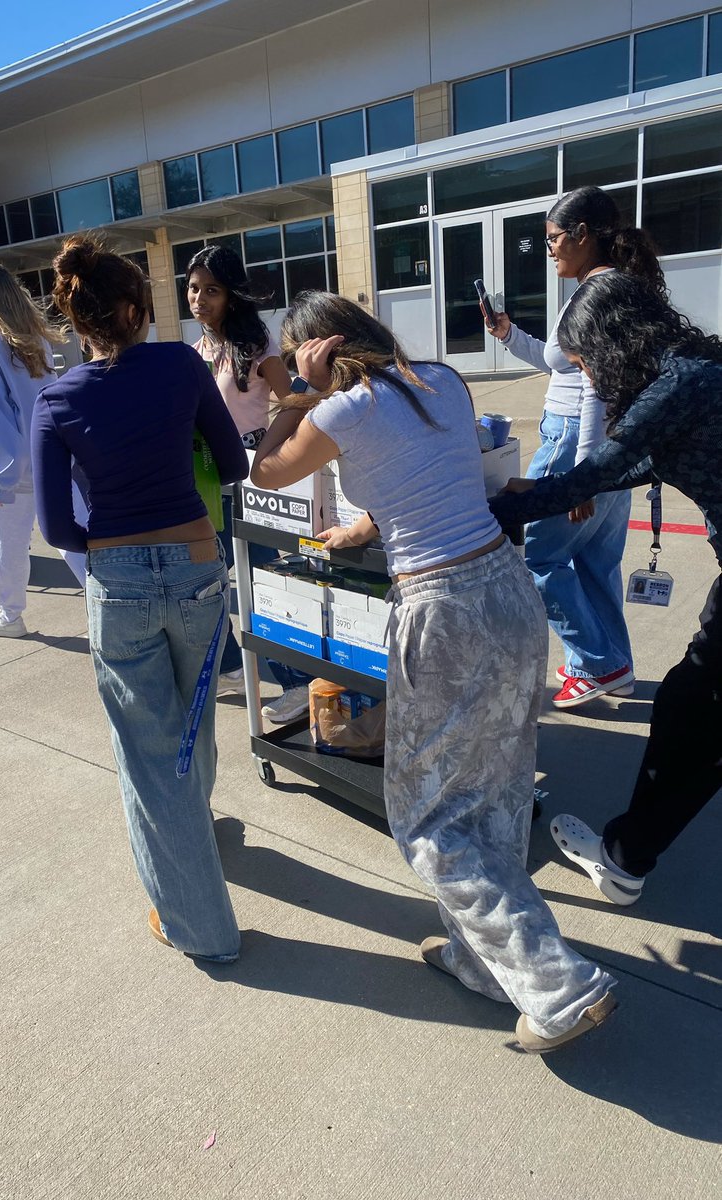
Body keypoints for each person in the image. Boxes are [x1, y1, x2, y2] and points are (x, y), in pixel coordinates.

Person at [252, 290, 616, 1054]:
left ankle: (558, 984)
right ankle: (481, 961)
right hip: (505, 590)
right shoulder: (442, 380)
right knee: (496, 790)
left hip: (443, 609)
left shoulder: (337, 409)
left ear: (318, 349)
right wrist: (368, 520)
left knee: (428, 818)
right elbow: (431, 471)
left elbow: (269, 471)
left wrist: (293, 394)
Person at [31, 235, 248, 962]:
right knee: (195, 715)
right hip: (197, 565)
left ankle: (200, 928)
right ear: (133, 311)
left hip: (117, 576)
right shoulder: (181, 364)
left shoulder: (57, 399)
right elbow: (232, 462)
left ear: (79, 320)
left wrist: (112, 543)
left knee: (149, 751)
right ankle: (195, 827)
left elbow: (57, 526)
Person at [491, 271, 722, 907]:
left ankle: (623, 862)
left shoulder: (674, 388)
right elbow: (623, 470)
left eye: (586, 360)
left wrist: (489, 512)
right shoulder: (697, 369)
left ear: (612, 344)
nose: (587, 376)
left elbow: (602, 470)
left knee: (689, 713)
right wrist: (536, 492)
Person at [483, 186, 665, 709]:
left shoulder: (594, 295)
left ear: (582, 234)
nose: (550, 250)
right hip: (617, 443)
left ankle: (597, 664)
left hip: (576, 440)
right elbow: (562, 365)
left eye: (553, 238)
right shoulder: (616, 289)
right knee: (594, 561)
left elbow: (594, 388)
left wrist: (584, 474)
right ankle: (614, 667)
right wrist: (509, 335)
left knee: (541, 556)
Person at [186, 244, 314, 724]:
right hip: (206, 479)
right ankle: (232, 667)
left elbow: (295, 401)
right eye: (193, 289)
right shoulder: (198, 350)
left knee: (262, 581)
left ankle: (299, 682)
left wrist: (270, 447)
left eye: (212, 290)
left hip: (247, 481)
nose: (199, 299)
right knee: (208, 581)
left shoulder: (257, 345)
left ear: (231, 295)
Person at [0, 260, 84, 636]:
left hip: (15, 465)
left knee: (9, 544)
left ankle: (10, 617)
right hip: (53, 455)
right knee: (74, 538)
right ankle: (107, 603)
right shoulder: (36, 338)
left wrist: (3, 479)